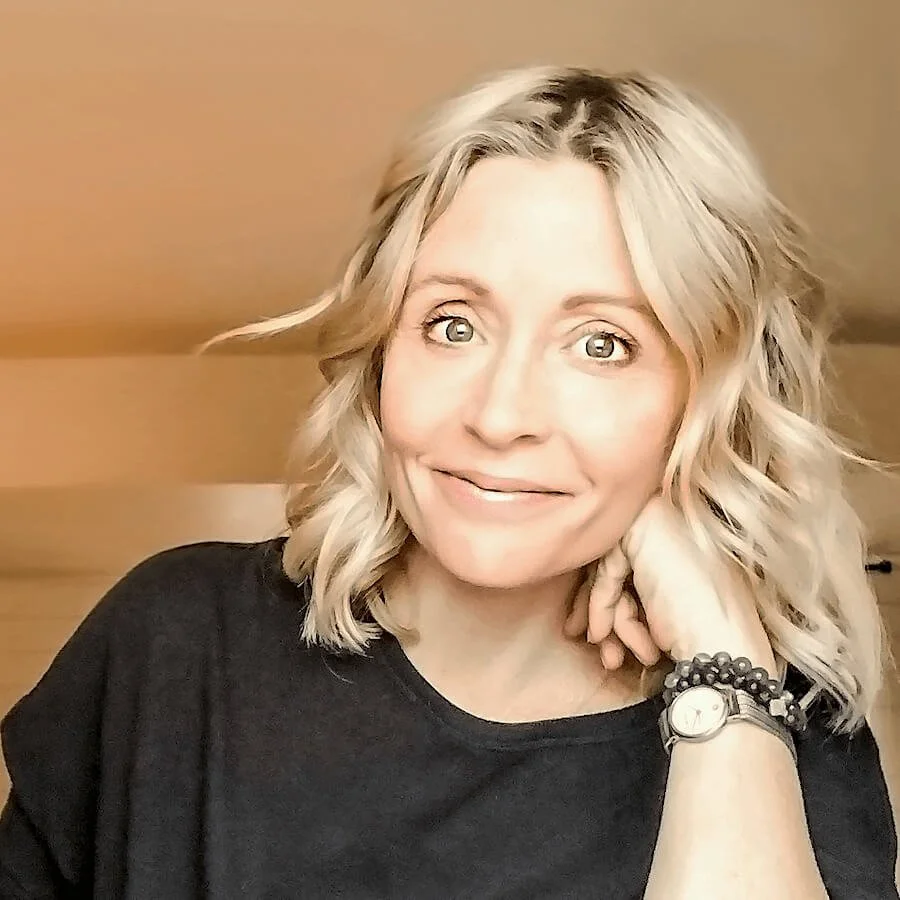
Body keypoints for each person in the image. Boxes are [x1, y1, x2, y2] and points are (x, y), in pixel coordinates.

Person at [0, 65, 897, 899]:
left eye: (602, 344)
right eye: (454, 324)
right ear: (385, 346)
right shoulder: (175, 641)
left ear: (701, 399)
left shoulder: (788, 729)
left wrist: (724, 670)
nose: (501, 415)